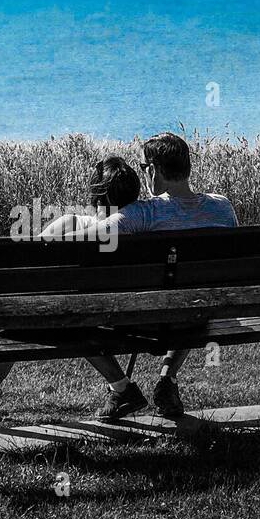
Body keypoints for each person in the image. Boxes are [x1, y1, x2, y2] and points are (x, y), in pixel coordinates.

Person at [0, 156, 142, 417]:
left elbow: (29, 273)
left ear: (96, 195)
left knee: (20, 319)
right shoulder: (143, 231)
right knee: (59, 321)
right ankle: (121, 387)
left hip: (64, 316)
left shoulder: (71, 225)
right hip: (116, 315)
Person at [89, 132, 237, 420]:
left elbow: (88, 238)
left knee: (80, 317)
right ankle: (166, 380)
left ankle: (121, 388)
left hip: (145, 319)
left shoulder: (144, 214)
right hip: (198, 314)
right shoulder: (222, 207)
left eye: (144, 168)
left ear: (154, 171)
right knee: (191, 296)